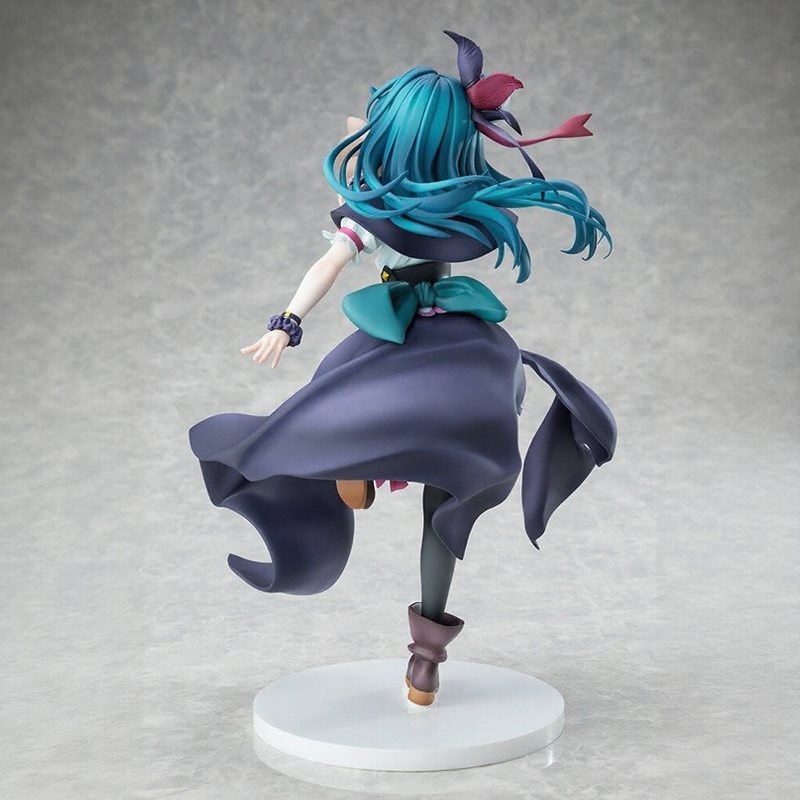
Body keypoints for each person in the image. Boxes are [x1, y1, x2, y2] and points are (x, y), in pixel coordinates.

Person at [189, 31, 616, 707]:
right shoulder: (460, 203)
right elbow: (357, 166)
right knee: (444, 489)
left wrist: (287, 322)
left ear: (399, 139)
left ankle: (357, 466)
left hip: (401, 339)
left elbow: (331, 258)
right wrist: (287, 319)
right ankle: (425, 658)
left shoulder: (381, 208)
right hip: (462, 348)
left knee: (336, 399)